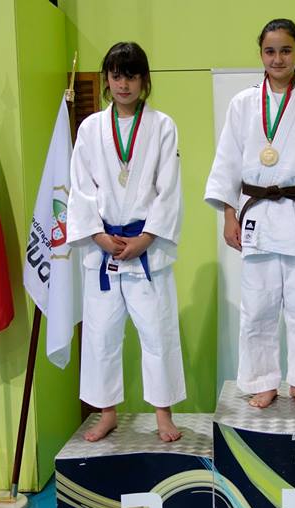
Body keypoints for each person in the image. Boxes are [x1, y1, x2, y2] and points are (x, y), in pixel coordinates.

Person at [205, 18, 295, 409]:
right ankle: (262, 379)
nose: (278, 58)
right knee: (258, 307)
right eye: (270, 51)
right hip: (256, 215)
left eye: (286, 50)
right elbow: (227, 162)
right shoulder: (242, 104)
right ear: (261, 54)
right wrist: (228, 213)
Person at [66, 42, 185, 443]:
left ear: (144, 80)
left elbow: (168, 190)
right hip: (104, 247)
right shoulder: (90, 129)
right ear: (106, 81)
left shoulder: (162, 125)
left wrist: (146, 238)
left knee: (157, 332)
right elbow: (80, 190)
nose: (123, 83)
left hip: (145, 247)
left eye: (131, 75)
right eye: (116, 75)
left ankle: (163, 415)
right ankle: (107, 413)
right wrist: (98, 236)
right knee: (101, 334)